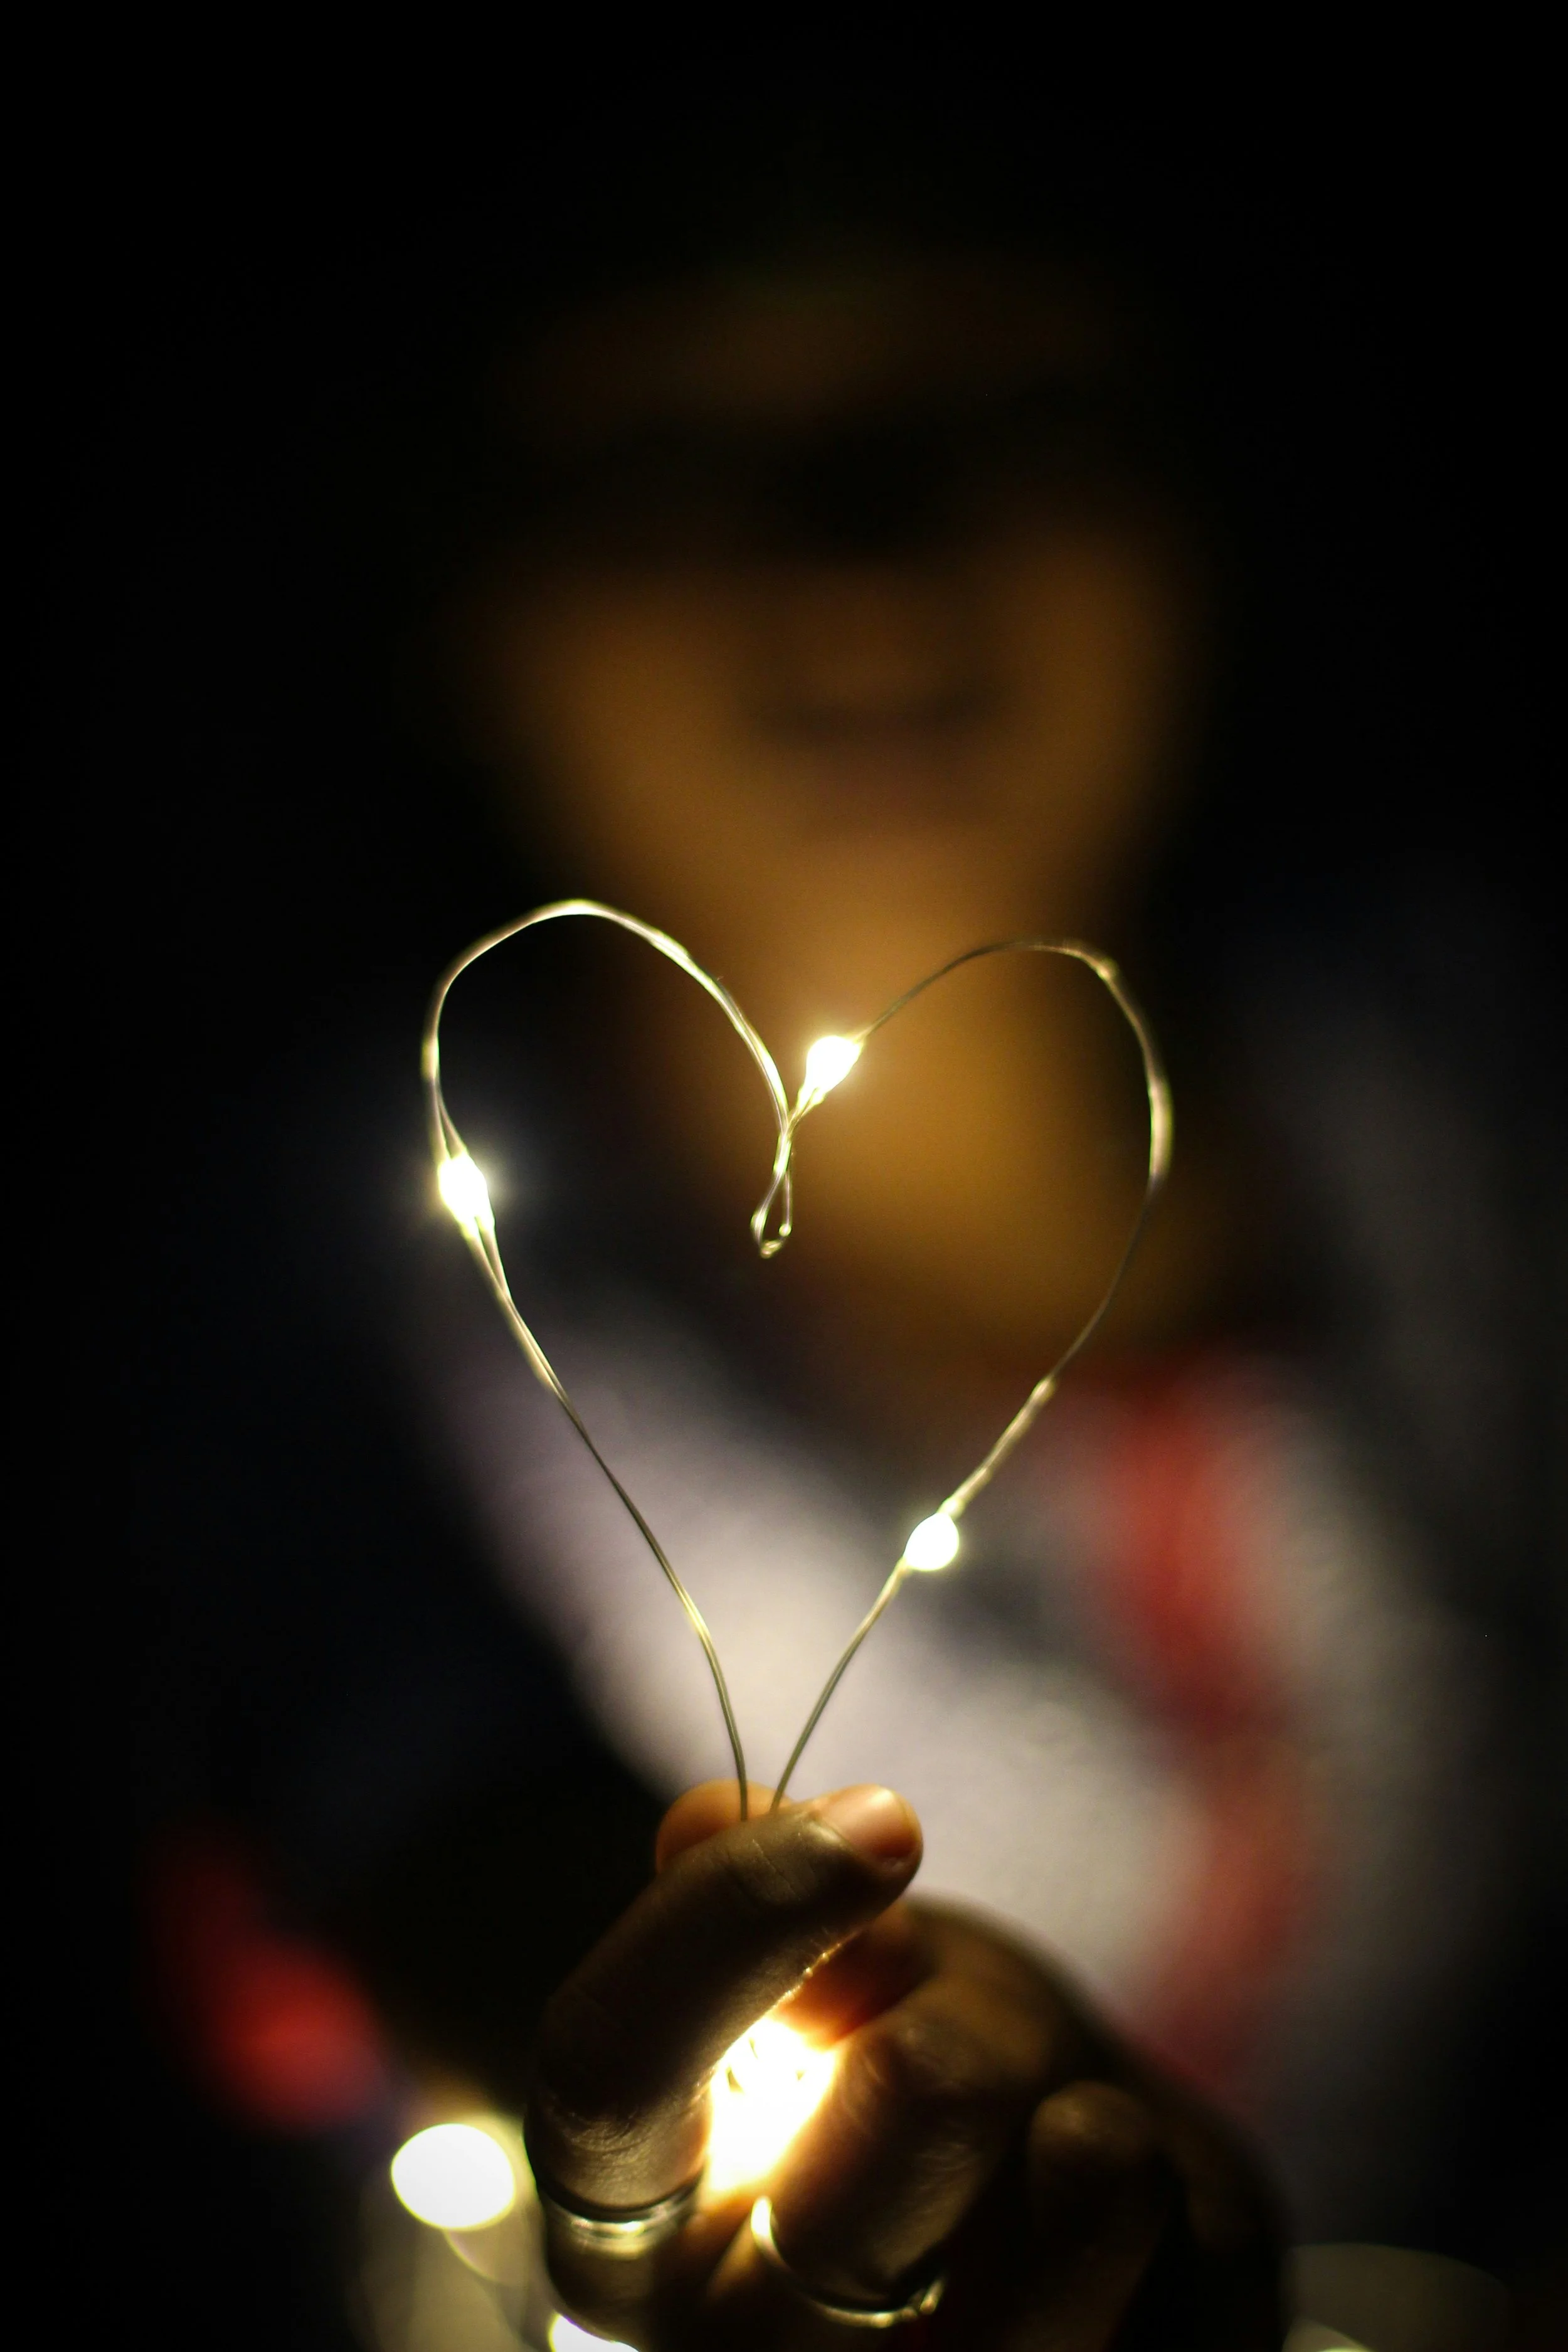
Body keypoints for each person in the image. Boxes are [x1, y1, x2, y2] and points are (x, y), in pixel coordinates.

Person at [128, 141, 1559, 2350]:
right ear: (454, 584)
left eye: (1006, 409)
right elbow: (405, 1781)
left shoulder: (1477, 1097)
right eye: (670, 451)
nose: (867, 582)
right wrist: (706, 2078)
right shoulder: (340, 1274)